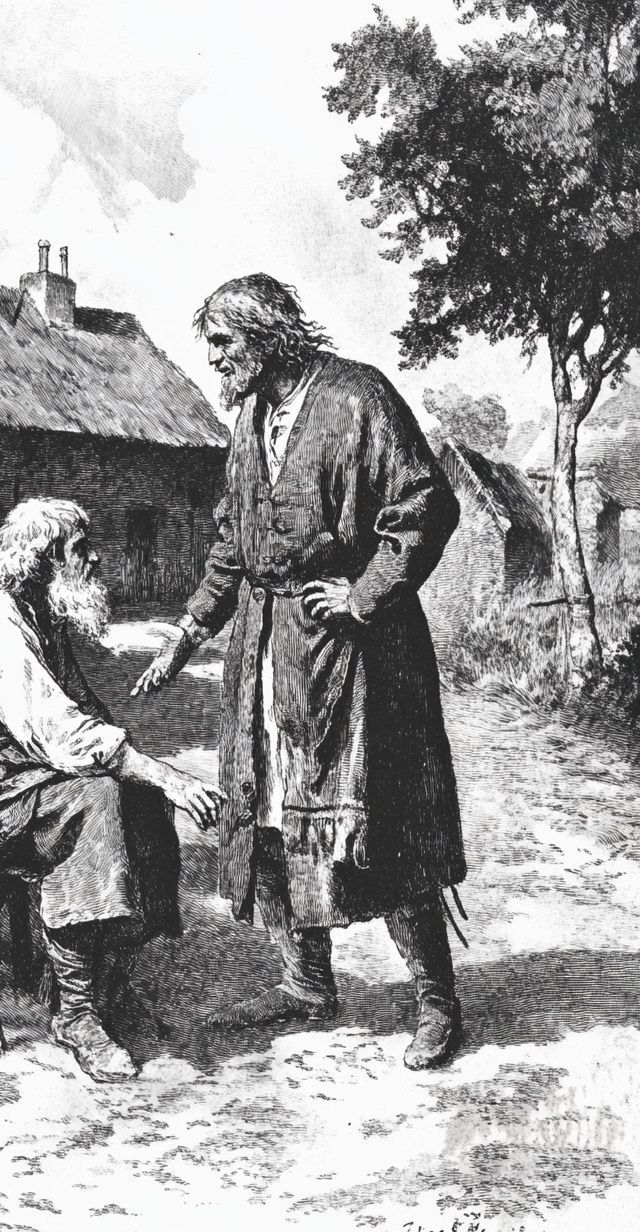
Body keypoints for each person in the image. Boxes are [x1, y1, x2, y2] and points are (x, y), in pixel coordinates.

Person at [133, 274, 466, 1070]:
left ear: (269, 336)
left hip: (354, 652)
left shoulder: (357, 397)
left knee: (377, 821)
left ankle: (436, 1000)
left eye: (224, 342)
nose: (214, 358)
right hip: (264, 651)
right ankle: (307, 981)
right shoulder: (249, 419)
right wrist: (187, 632)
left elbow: (425, 506)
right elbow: (230, 546)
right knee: (277, 813)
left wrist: (365, 591)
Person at [0, 498, 221, 1084]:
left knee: (137, 798)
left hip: (5, 768)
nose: (94, 559)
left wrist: (145, 775)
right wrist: (169, 772)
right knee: (91, 802)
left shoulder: (42, 617)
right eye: (80, 550)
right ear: (42, 560)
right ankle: (76, 1012)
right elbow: (62, 732)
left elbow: (84, 712)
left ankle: (107, 979)